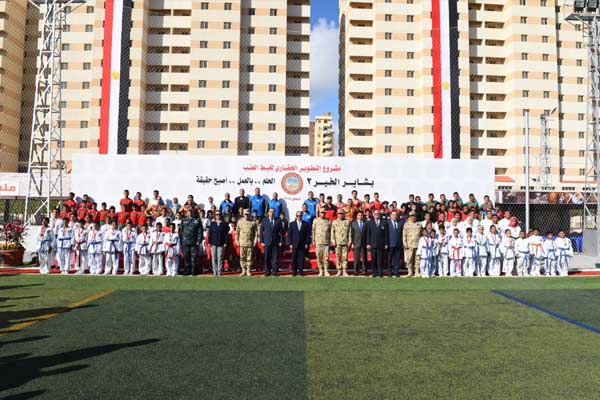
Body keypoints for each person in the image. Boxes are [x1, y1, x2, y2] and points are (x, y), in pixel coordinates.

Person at [260, 208, 283, 276]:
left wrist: (281, 241)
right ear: (268, 213)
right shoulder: (264, 220)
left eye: (273, 212)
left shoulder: (278, 220)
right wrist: (262, 241)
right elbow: (261, 231)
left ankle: (274, 272)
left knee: (275, 258)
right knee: (267, 258)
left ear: (274, 213)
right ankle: (267, 272)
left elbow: (281, 232)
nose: (271, 213)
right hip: (267, 242)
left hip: (275, 242)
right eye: (270, 212)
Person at [180, 209, 203, 276]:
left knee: (194, 257)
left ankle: (194, 271)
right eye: (188, 212)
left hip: (194, 242)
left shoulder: (197, 220)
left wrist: (199, 240)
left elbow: (200, 231)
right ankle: (187, 271)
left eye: (191, 212)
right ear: (186, 213)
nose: (190, 213)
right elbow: (181, 231)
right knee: (186, 257)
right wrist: (181, 240)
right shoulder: (183, 220)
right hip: (185, 242)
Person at [366, 209, 388, 278]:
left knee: (380, 260)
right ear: (373, 215)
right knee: (373, 260)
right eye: (375, 214)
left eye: (377, 214)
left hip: (381, 244)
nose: (376, 215)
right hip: (372, 244)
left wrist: (386, 243)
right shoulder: (370, 223)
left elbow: (386, 234)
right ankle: (374, 273)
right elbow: (368, 234)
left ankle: (380, 273)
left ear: (379, 214)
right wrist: (368, 243)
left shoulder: (384, 223)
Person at [236, 209, 258, 276]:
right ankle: (243, 270)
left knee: (249, 257)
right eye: (245, 214)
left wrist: (255, 241)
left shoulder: (253, 222)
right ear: (243, 214)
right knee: (242, 257)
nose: (246, 215)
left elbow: (256, 233)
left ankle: (248, 270)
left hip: (249, 243)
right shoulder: (240, 222)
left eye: (247, 214)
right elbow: (237, 232)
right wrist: (237, 240)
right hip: (242, 242)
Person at [289, 210, 310, 276]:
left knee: (301, 259)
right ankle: (294, 272)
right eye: (298, 216)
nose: (299, 217)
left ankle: (301, 271)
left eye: (300, 216)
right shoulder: (292, 224)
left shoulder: (305, 224)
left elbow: (307, 235)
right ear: (296, 216)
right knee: (294, 258)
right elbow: (290, 235)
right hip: (294, 244)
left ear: (302, 216)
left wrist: (307, 243)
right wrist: (290, 243)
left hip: (302, 244)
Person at [331, 209, 351, 277]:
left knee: (345, 257)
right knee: (338, 257)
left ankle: (344, 271)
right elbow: (332, 232)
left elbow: (350, 232)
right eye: (339, 213)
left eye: (342, 213)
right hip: (337, 243)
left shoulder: (347, 222)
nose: (340, 215)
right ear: (337, 214)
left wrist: (349, 241)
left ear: (344, 214)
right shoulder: (334, 222)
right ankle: (339, 271)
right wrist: (333, 241)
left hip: (345, 242)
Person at [208, 212, 229, 276]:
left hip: (221, 242)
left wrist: (225, 242)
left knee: (220, 257)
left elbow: (226, 234)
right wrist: (209, 242)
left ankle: (219, 271)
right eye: (216, 214)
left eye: (219, 214)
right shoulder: (212, 223)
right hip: (213, 243)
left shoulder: (224, 224)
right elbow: (210, 233)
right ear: (215, 216)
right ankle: (215, 271)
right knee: (214, 257)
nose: (218, 215)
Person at [312, 210, 332, 277]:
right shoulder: (315, 220)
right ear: (319, 213)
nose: (322, 214)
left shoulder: (328, 221)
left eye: (323, 212)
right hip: (318, 242)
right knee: (319, 257)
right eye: (321, 212)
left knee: (326, 258)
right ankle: (320, 270)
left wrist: (331, 240)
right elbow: (313, 231)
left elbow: (330, 231)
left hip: (326, 242)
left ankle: (326, 270)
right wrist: (313, 240)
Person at [403, 213, 421, 277]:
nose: (413, 217)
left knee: (417, 258)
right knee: (409, 259)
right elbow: (404, 235)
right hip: (409, 244)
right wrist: (405, 243)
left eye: (414, 216)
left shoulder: (419, 224)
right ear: (409, 217)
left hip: (417, 244)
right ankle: (410, 272)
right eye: (411, 216)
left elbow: (421, 234)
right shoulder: (406, 224)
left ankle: (416, 272)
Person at [350, 211, 368, 276]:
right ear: (357, 216)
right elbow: (352, 234)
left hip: (364, 243)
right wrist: (352, 243)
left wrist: (367, 243)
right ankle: (356, 271)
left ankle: (364, 271)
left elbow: (367, 234)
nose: (360, 216)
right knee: (356, 258)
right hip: (356, 242)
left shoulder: (365, 223)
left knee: (364, 258)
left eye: (361, 215)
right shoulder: (353, 223)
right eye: (359, 215)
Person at [387, 211, 404, 278]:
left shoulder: (400, 223)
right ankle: (389, 271)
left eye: (396, 215)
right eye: (393, 215)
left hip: (398, 243)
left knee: (397, 258)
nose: (394, 216)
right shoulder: (387, 223)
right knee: (390, 258)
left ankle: (396, 271)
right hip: (390, 243)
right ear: (390, 216)